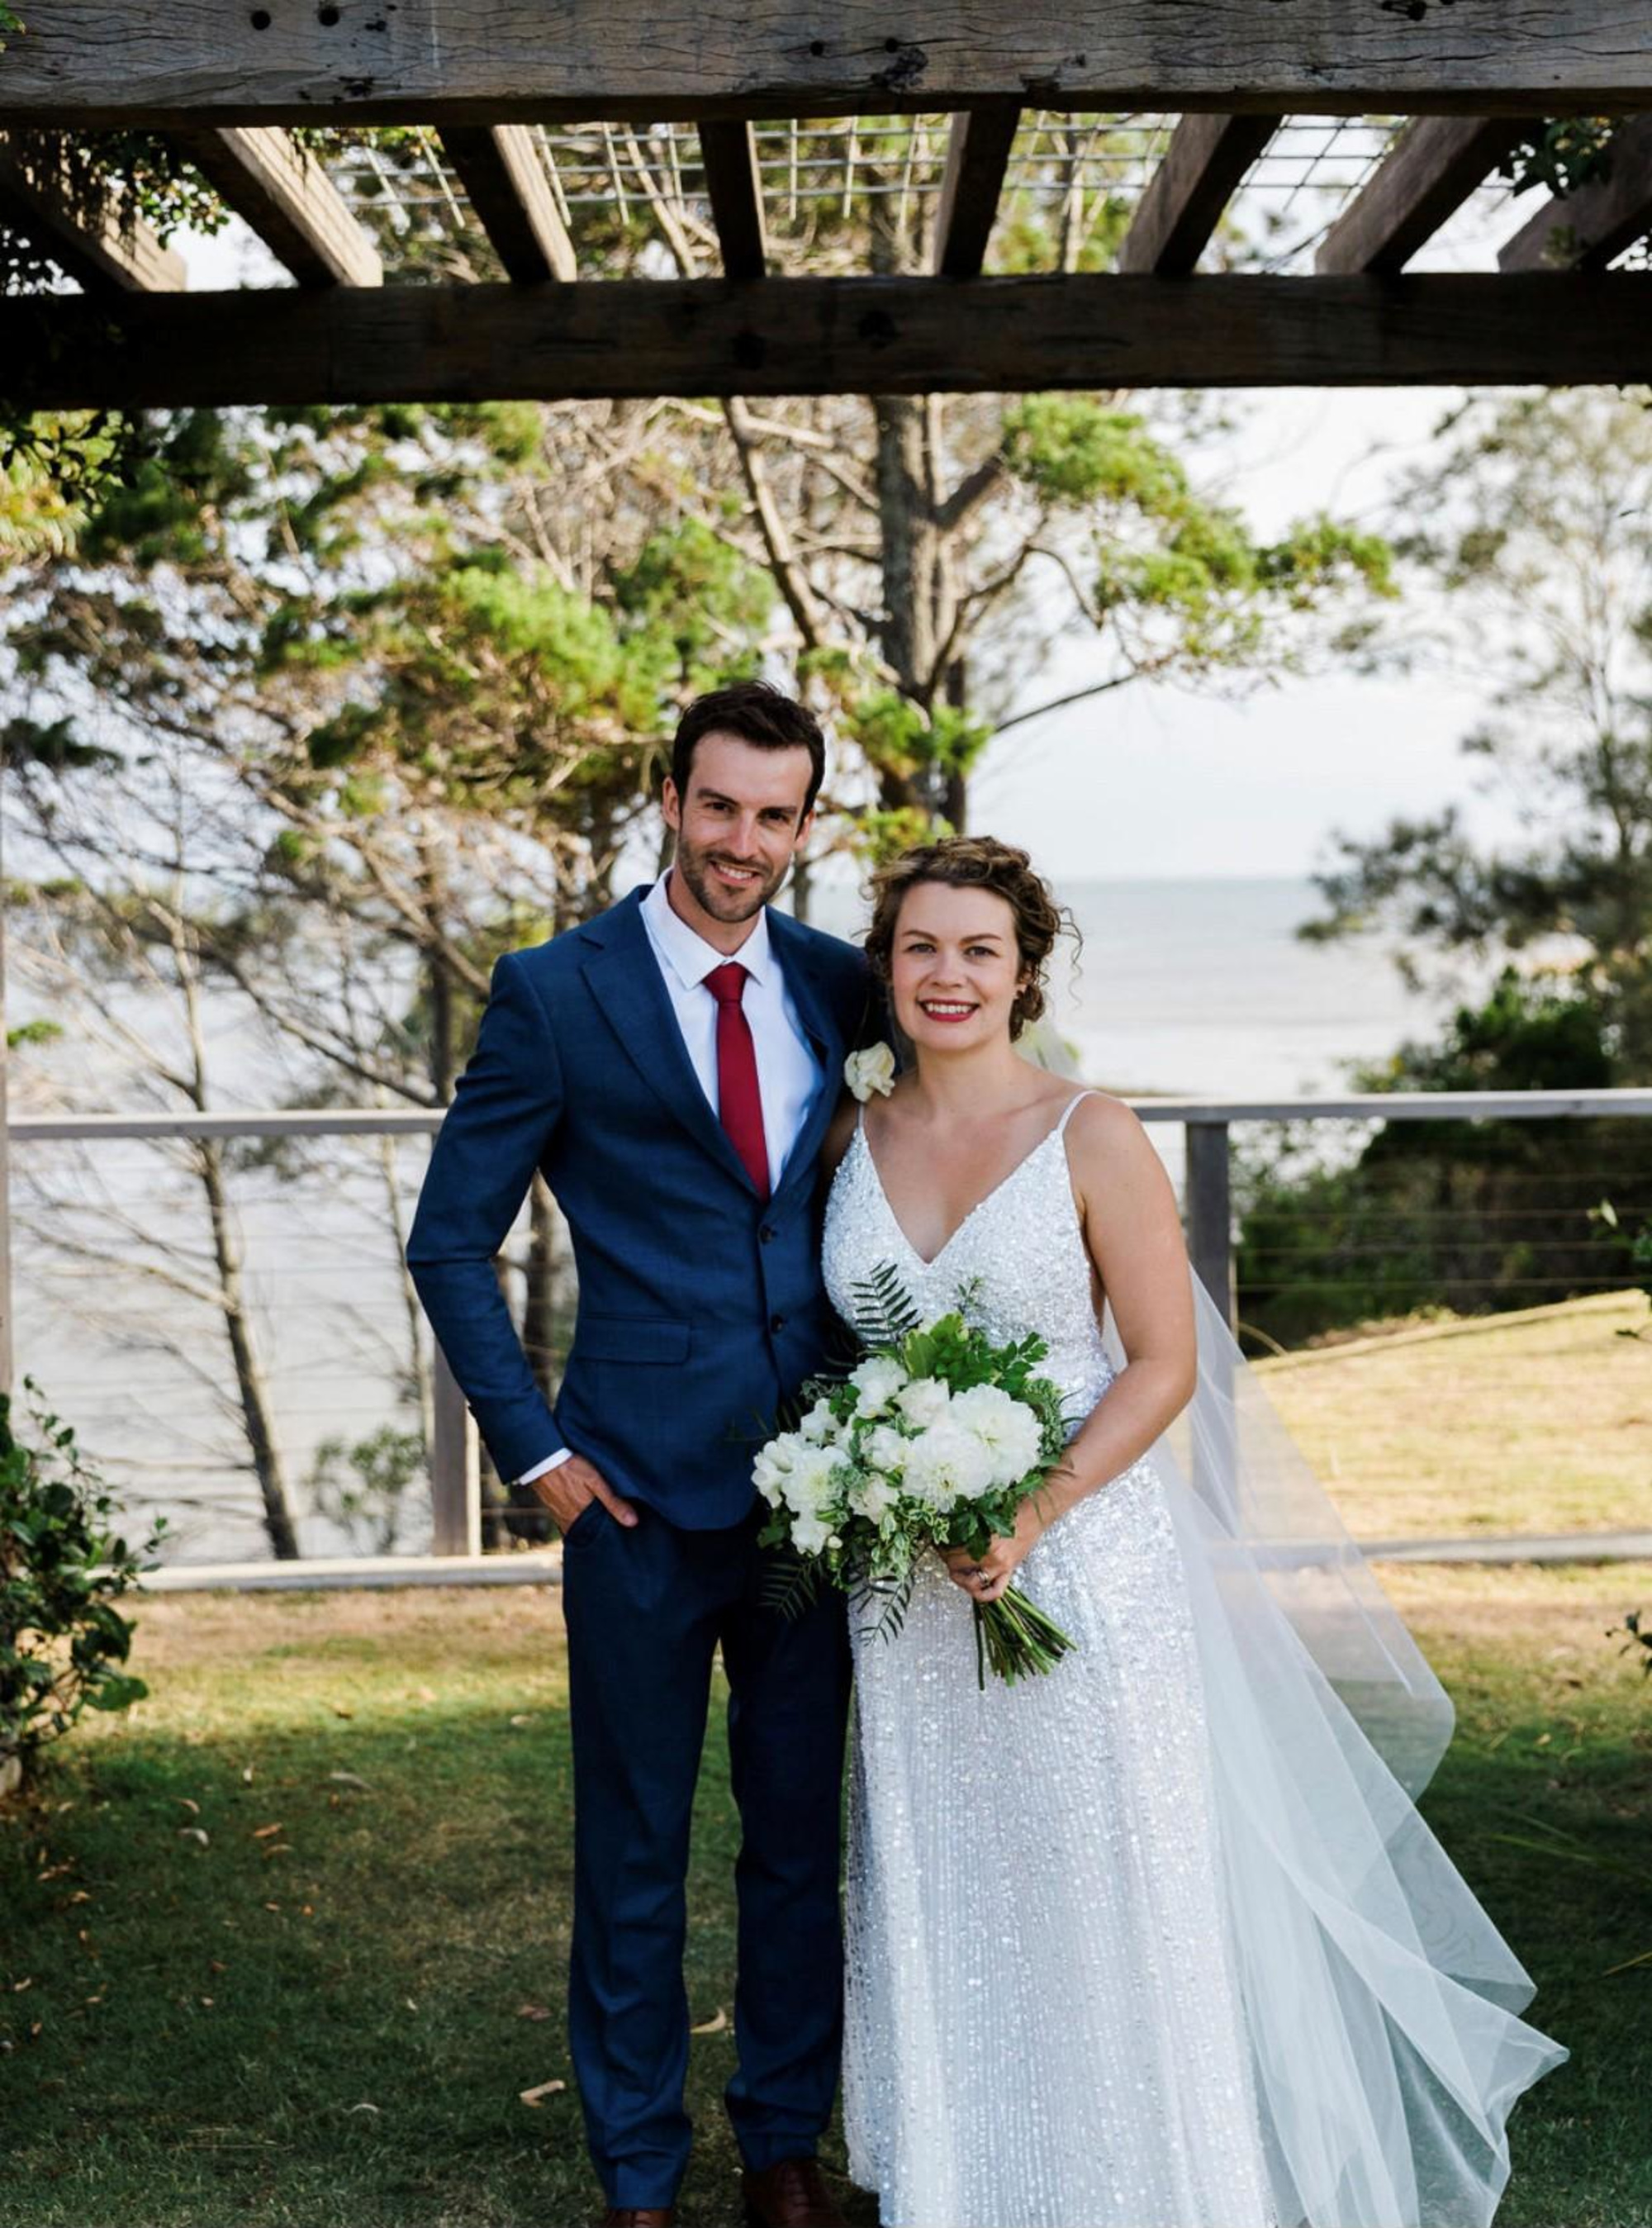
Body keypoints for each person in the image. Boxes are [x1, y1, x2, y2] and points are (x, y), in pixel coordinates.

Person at [819, 834, 1566, 2228]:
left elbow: (1162, 1361)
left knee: (1107, 1903)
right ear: (886, 965)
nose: (948, 974)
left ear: (1025, 972)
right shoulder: (852, 1137)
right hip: (910, 1595)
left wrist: (1032, 1511)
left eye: (980, 949)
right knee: (953, 1901)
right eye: (922, 945)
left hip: (1083, 1574)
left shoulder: (1091, 1132)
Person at [407, 681, 874, 2228]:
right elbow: (450, 1240)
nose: (745, 841)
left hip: (817, 1493)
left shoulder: (839, 984)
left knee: (799, 1840)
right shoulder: (557, 989)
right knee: (634, 1847)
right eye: (720, 805)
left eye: (777, 814)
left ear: (807, 825)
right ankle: (638, 2172)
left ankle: (784, 2145)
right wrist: (533, 1448)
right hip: (626, 1495)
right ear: (669, 798)